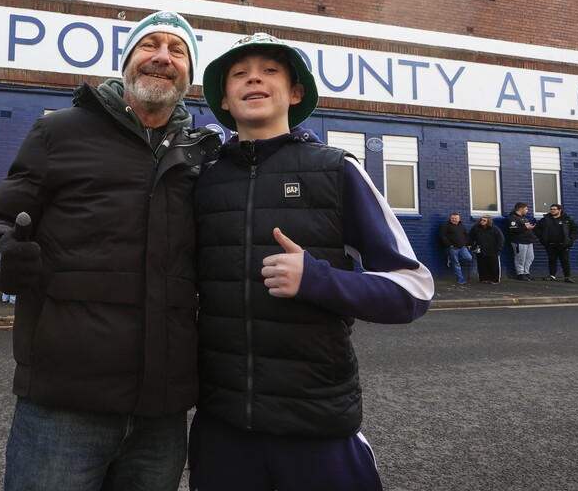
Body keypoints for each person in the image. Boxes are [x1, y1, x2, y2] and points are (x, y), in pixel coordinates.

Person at [0, 10, 221, 491]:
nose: (162, 58)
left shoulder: (202, 154)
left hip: (161, 416)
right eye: (150, 45)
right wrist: (2, 255)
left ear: (190, 73)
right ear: (126, 61)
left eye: (177, 50)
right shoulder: (59, 132)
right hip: (63, 410)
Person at [190, 32, 435, 491]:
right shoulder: (201, 180)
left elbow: (414, 289)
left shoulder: (336, 168)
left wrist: (320, 280)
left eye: (269, 71)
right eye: (239, 74)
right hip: (221, 430)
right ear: (224, 98)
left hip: (317, 429)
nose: (253, 80)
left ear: (295, 91)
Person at [534, 203, 578, 283]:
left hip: (563, 244)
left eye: (554, 209)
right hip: (550, 244)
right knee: (552, 260)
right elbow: (537, 229)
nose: (552, 211)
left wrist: (571, 238)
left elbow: (576, 230)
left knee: (565, 260)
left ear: (559, 210)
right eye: (551, 209)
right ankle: (552, 275)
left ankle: (567, 276)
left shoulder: (567, 219)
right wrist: (542, 238)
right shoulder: (545, 219)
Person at [437, 212, 473, 285]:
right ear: (450, 218)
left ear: (459, 219)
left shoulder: (461, 225)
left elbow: (466, 234)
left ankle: (451, 259)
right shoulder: (445, 226)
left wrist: (466, 243)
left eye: (455, 218)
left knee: (469, 258)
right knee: (456, 264)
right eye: (452, 218)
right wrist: (449, 245)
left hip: (462, 247)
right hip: (452, 248)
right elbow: (441, 236)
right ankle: (460, 279)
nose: (454, 220)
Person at [505, 202, 538, 280]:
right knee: (520, 258)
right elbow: (513, 229)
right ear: (521, 209)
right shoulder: (513, 218)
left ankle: (526, 272)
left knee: (530, 257)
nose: (527, 211)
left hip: (528, 241)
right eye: (526, 209)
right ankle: (520, 273)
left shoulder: (524, 218)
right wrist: (526, 228)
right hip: (519, 241)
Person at [468, 215, 504, 283]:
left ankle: (494, 279)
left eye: (484, 220)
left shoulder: (494, 229)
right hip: (479, 248)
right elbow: (470, 236)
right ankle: (483, 279)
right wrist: (470, 244)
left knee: (493, 265)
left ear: (488, 221)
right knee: (481, 264)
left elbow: (500, 239)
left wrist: (498, 248)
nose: (482, 222)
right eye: (481, 220)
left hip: (492, 249)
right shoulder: (476, 228)